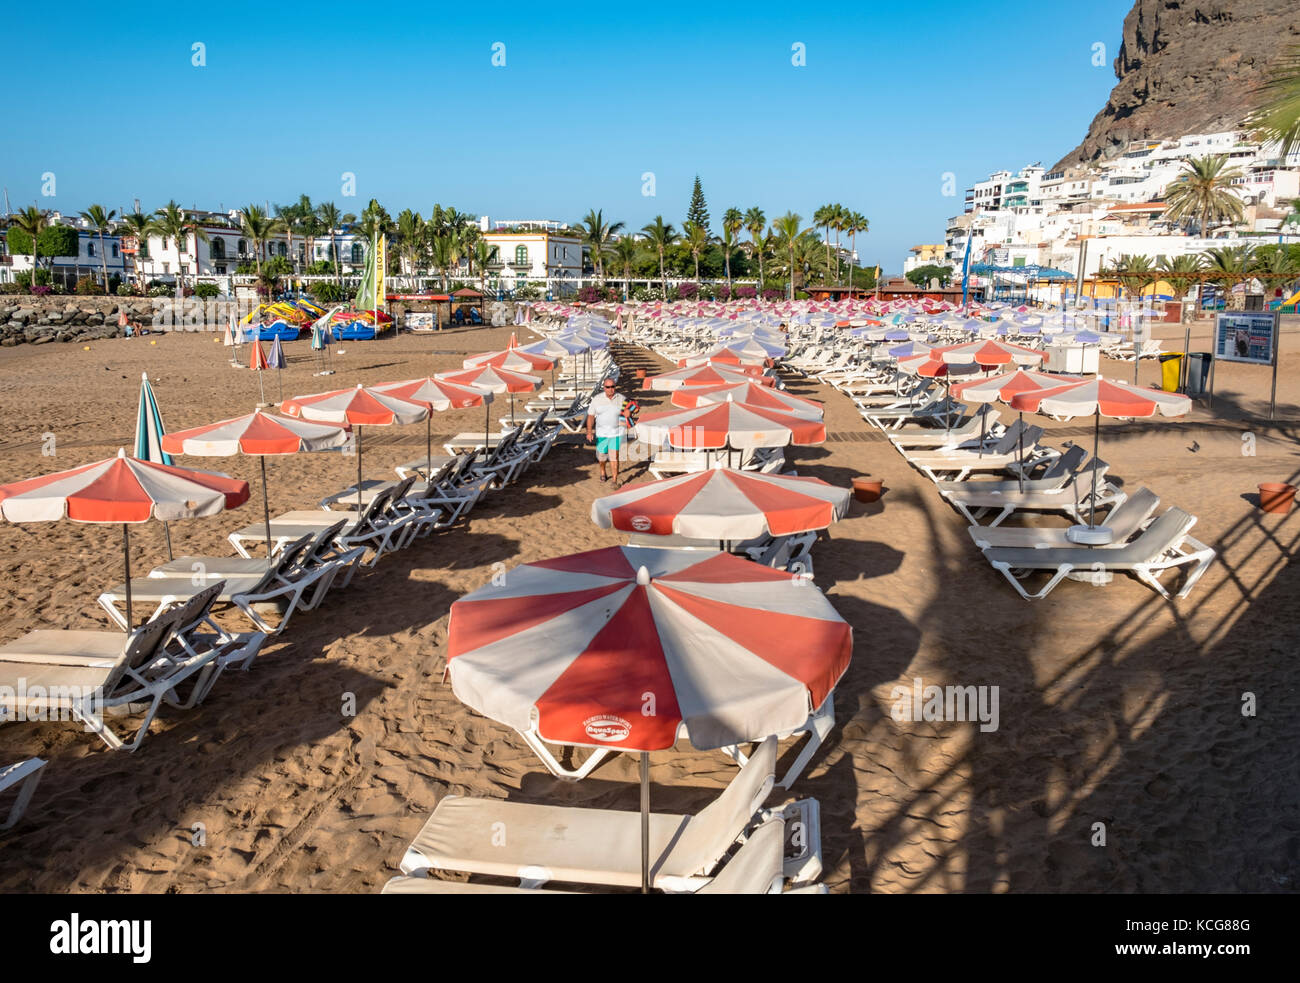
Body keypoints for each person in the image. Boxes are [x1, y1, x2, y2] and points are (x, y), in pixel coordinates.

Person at [586, 377, 627, 484]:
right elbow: (590, 416)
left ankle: (614, 480)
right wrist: (589, 432)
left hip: (616, 433)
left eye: (612, 386)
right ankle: (603, 471)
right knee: (602, 457)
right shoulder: (597, 399)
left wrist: (629, 414)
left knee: (614, 457)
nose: (610, 389)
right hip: (601, 434)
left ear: (615, 387)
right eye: (608, 387)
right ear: (604, 388)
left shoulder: (622, 399)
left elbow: (629, 413)